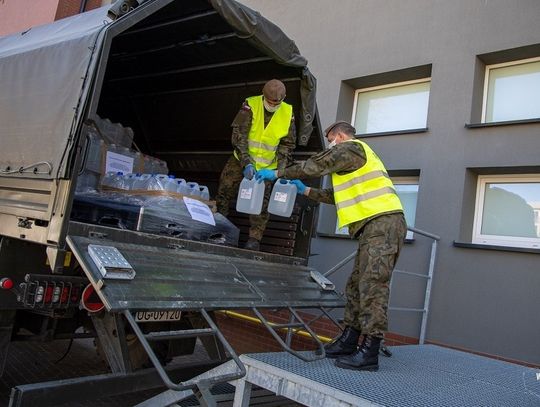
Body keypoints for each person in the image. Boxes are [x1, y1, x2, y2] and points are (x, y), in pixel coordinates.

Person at [256, 121, 406, 371]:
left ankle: (370, 350)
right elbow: (337, 197)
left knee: (372, 283)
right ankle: (349, 340)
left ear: (338, 136)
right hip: (373, 225)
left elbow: (318, 163)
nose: (330, 144)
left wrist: (279, 173)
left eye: (330, 139)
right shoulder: (352, 162)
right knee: (357, 284)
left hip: (384, 222)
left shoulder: (352, 148)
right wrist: (305, 191)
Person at [216, 79, 296, 251]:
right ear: (263, 95)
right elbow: (239, 135)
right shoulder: (250, 105)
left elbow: (287, 144)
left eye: (277, 103)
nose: (273, 104)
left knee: (261, 203)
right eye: (269, 101)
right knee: (225, 189)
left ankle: (254, 240)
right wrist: (246, 162)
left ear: (284, 98)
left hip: (267, 167)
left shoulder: (288, 112)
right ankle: (220, 229)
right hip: (241, 160)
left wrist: (280, 171)